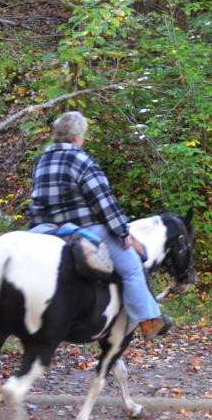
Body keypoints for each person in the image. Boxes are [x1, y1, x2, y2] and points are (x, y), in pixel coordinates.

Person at [27, 111, 171, 332]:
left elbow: (36, 199)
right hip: (82, 228)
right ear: (77, 137)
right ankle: (149, 319)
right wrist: (122, 232)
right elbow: (103, 202)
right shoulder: (81, 160)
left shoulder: (42, 159)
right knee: (132, 266)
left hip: (44, 229)